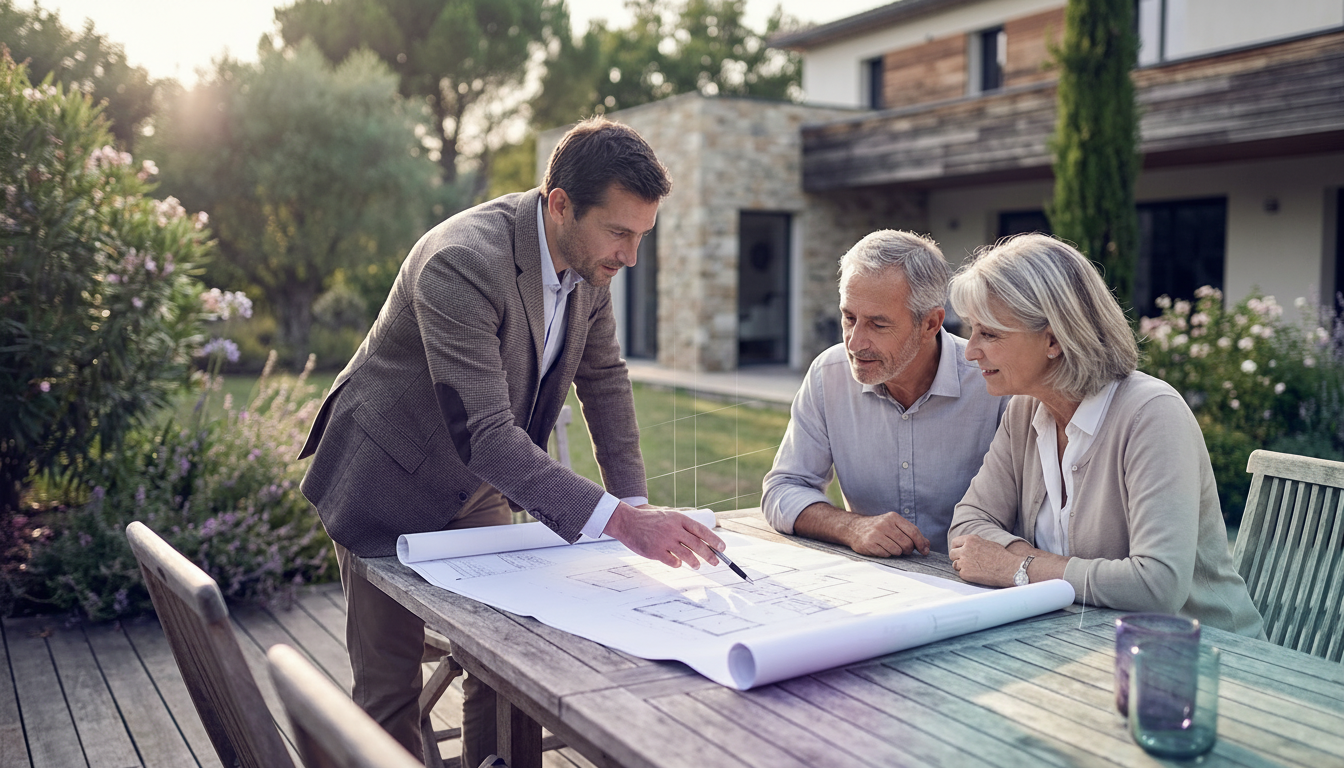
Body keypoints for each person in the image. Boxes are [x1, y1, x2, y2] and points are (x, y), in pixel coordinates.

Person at [296, 117, 727, 765]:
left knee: (500, 661)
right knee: (389, 694)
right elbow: (489, 436)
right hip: (383, 478)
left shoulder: (592, 265)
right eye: (619, 232)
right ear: (560, 205)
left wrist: (633, 502)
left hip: (474, 486)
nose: (630, 257)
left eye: (642, 237)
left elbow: (605, 380)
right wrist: (626, 528)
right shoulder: (463, 262)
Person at [946, 233, 1263, 637]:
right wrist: (1031, 565)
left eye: (989, 333)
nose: (970, 350)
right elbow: (969, 524)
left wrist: (1018, 567)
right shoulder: (1024, 411)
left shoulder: (1152, 414)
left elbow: (1157, 585)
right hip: (1082, 643)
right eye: (972, 331)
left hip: (1208, 660)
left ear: (1054, 339)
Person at [762, 230, 1007, 556]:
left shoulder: (995, 385)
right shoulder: (828, 375)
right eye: (849, 318)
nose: (854, 342)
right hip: (875, 585)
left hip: (980, 588)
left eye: (878, 325)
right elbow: (783, 489)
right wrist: (851, 527)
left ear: (931, 324)